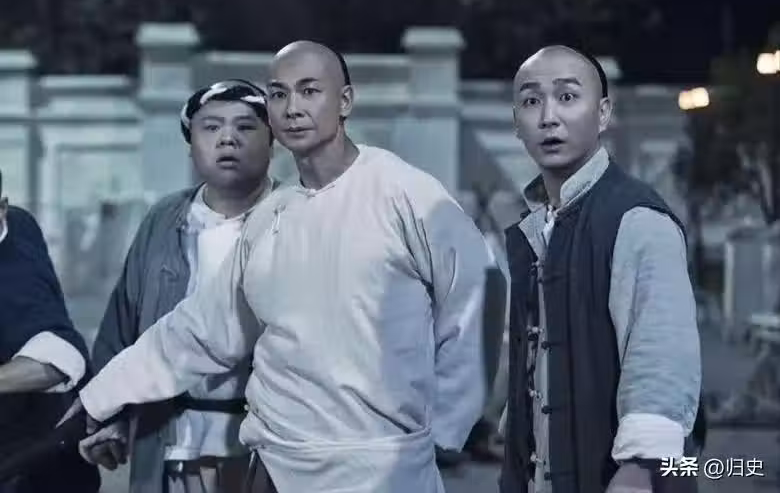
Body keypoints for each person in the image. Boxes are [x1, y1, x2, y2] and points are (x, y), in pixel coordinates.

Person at [70, 41, 496, 493]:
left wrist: (447, 426)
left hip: (382, 464)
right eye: (278, 94)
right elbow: (201, 329)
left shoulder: (404, 192)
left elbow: (480, 294)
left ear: (345, 101)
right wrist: (100, 396)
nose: (293, 108)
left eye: (309, 91)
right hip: (275, 463)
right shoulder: (271, 216)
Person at [499, 45, 702, 493]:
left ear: (603, 113)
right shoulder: (536, 228)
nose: (548, 117)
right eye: (531, 101)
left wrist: (639, 469)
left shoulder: (636, 219)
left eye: (568, 97)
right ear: (516, 122)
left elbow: (662, 356)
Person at [82, 79, 279, 493]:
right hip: (171, 437)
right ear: (191, 145)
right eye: (211, 127)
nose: (228, 138)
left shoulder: (297, 218)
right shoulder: (164, 219)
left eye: (245, 127)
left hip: (271, 444)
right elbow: (123, 324)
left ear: (273, 142)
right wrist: (112, 414)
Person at [0, 170, 100, 493]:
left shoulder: (14, 271)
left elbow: (62, 356)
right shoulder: (19, 222)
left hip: (32, 466)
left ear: (1, 209)